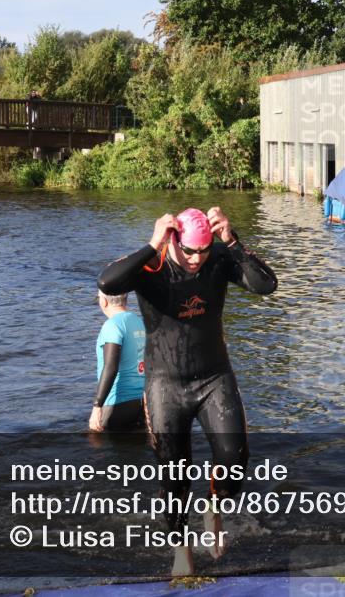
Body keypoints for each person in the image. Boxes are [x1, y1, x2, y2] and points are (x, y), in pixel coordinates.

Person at [98, 207, 277, 576]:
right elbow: (108, 283)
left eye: (203, 251)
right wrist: (152, 243)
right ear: (174, 240)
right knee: (174, 473)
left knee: (234, 455)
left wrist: (232, 240)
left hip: (214, 376)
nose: (197, 260)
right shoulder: (153, 264)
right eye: (190, 251)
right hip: (166, 384)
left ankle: (214, 509)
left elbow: (265, 285)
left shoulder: (218, 258)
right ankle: (181, 547)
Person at [89, 291, 147, 432]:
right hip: (142, 404)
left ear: (104, 301)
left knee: (97, 446)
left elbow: (110, 367)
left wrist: (97, 407)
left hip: (117, 403)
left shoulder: (112, 325)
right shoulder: (139, 321)